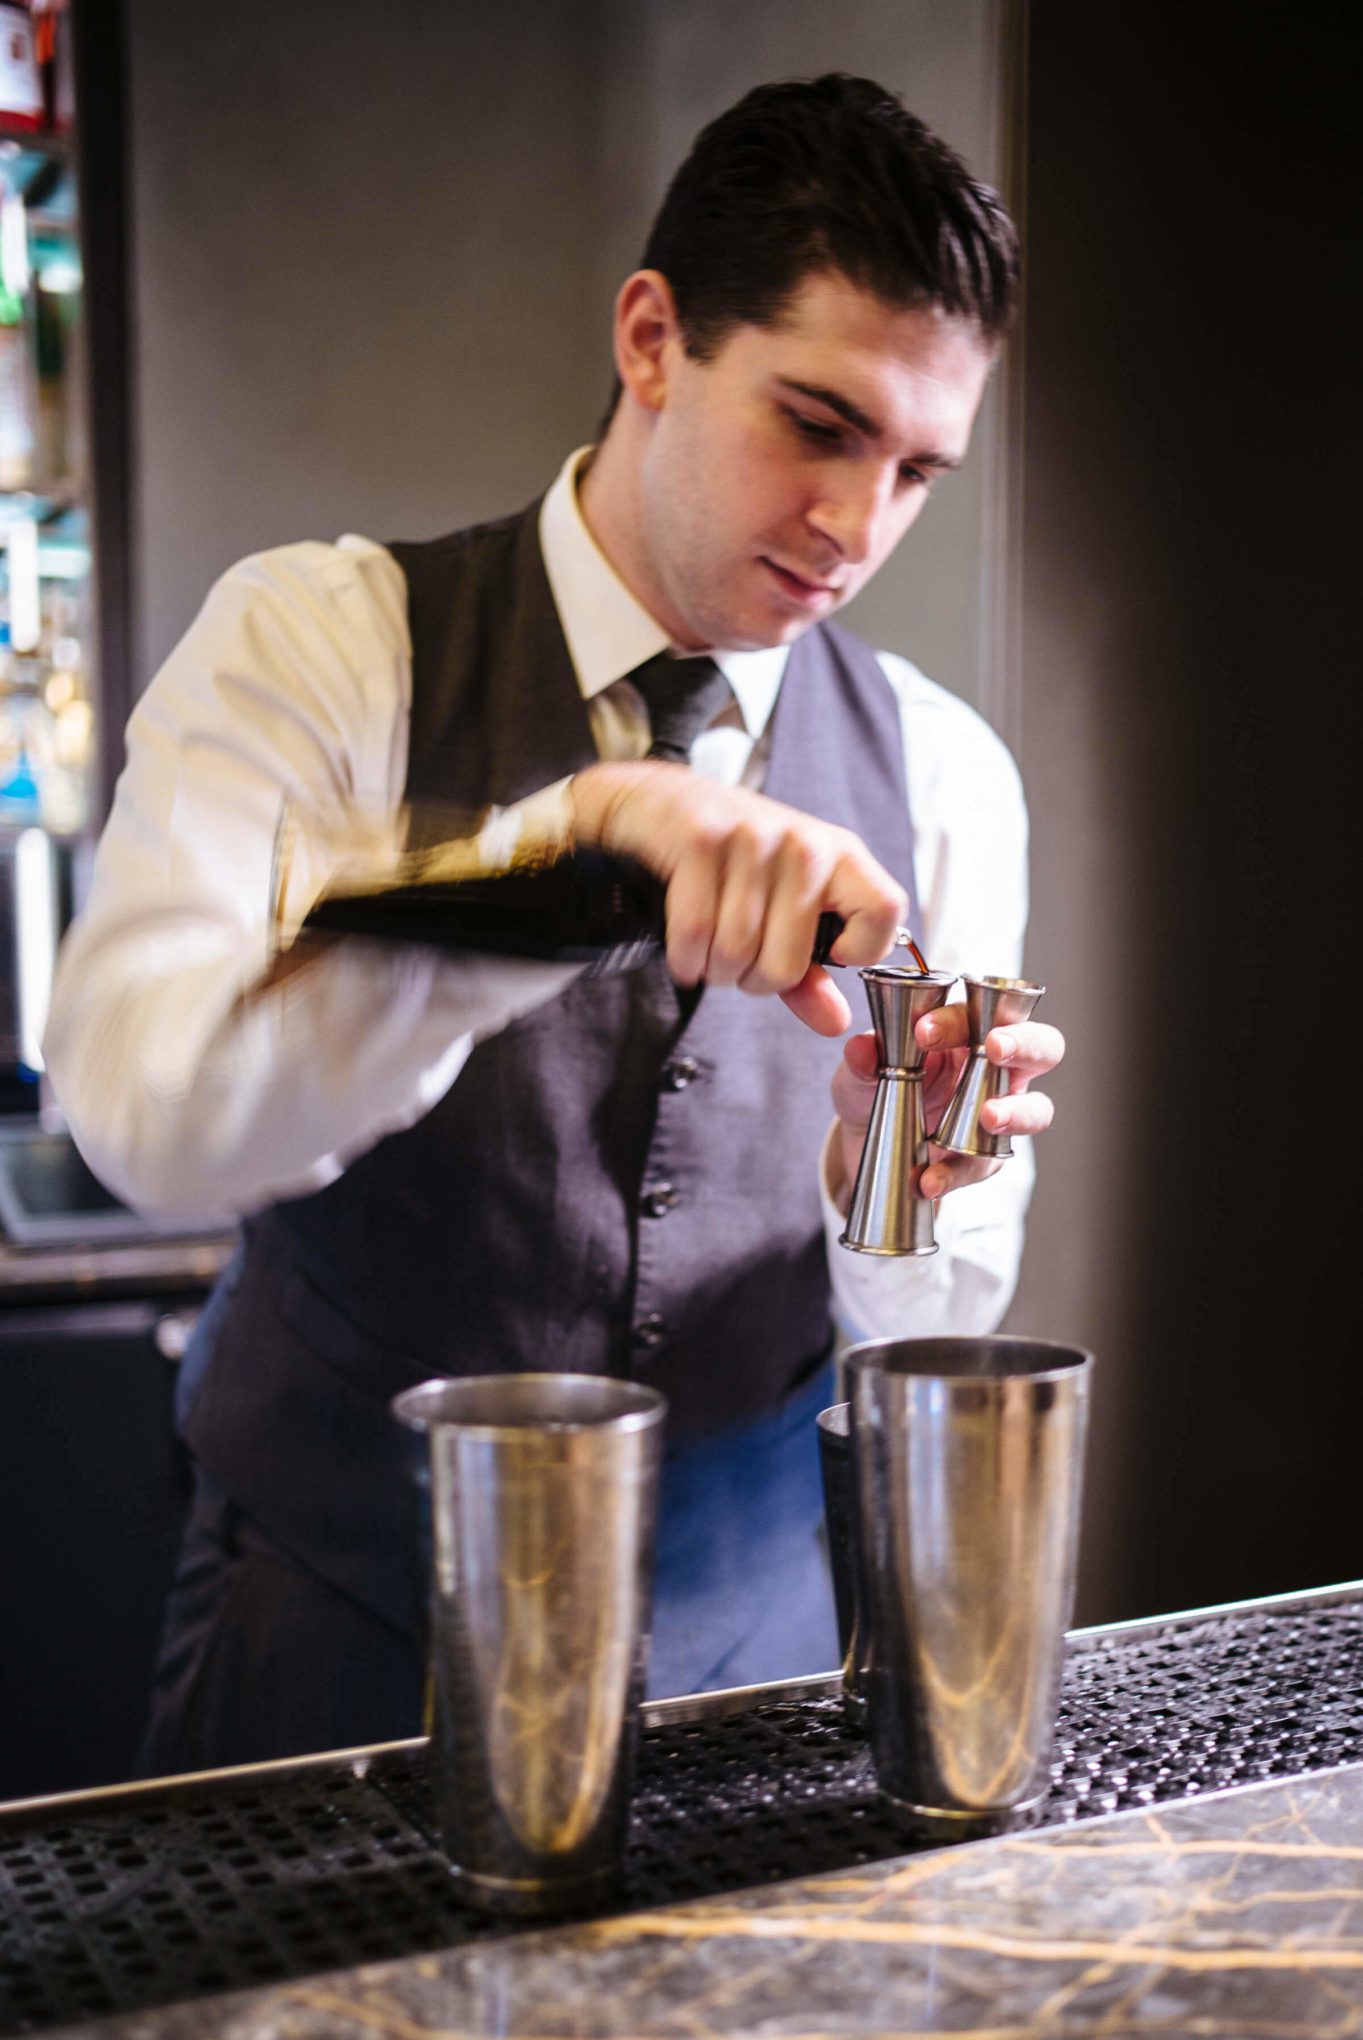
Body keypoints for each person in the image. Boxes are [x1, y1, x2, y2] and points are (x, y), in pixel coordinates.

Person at [45, 73, 1064, 1772]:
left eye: (917, 472)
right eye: (817, 425)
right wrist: (554, 868)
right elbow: (144, 1117)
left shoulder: (948, 774)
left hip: (751, 1656)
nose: (855, 528)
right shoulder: (321, 643)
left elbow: (918, 1324)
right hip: (342, 1637)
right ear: (654, 339)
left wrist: (891, 1178)